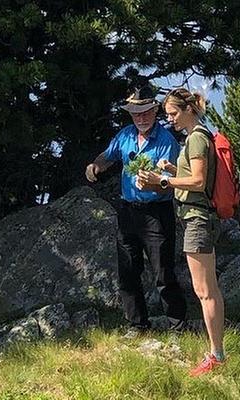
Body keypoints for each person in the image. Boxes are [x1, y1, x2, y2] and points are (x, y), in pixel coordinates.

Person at [85, 87, 187, 333]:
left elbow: (168, 183)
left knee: (162, 270)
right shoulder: (125, 136)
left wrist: (153, 182)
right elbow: (108, 155)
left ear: (154, 111)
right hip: (128, 211)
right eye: (135, 114)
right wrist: (95, 166)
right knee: (128, 270)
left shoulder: (166, 141)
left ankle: (177, 324)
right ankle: (137, 324)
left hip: (156, 213)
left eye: (145, 113)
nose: (140, 118)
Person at [138, 87, 225, 377]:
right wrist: (173, 169)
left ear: (188, 110)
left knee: (205, 291)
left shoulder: (197, 138)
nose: (170, 120)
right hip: (196, 218)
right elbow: (194, 176)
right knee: (206, 290)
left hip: (197, 219)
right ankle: (216, 353)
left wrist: (163, 181)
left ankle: (216, 356)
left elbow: (199, 182)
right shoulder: (195, 137)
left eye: (173, 114)